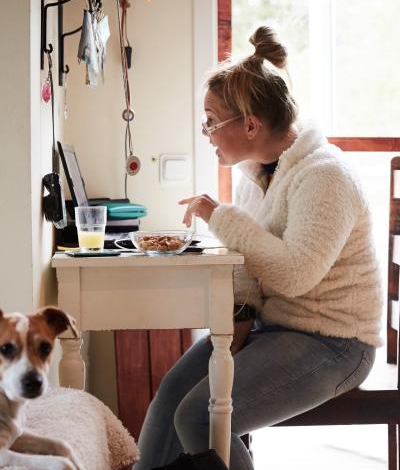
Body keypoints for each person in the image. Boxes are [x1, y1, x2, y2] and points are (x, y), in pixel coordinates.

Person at [133, 26, 382, 470]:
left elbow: (293, 274)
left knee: (197, 417)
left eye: (212, 120)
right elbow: (249, 262)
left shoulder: (325, 176)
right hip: (275, 327)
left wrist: (219, 216)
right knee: (171, 395)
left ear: (250, 124)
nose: (206, 132)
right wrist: (241, 318)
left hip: (335, 343)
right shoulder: (258, 172)